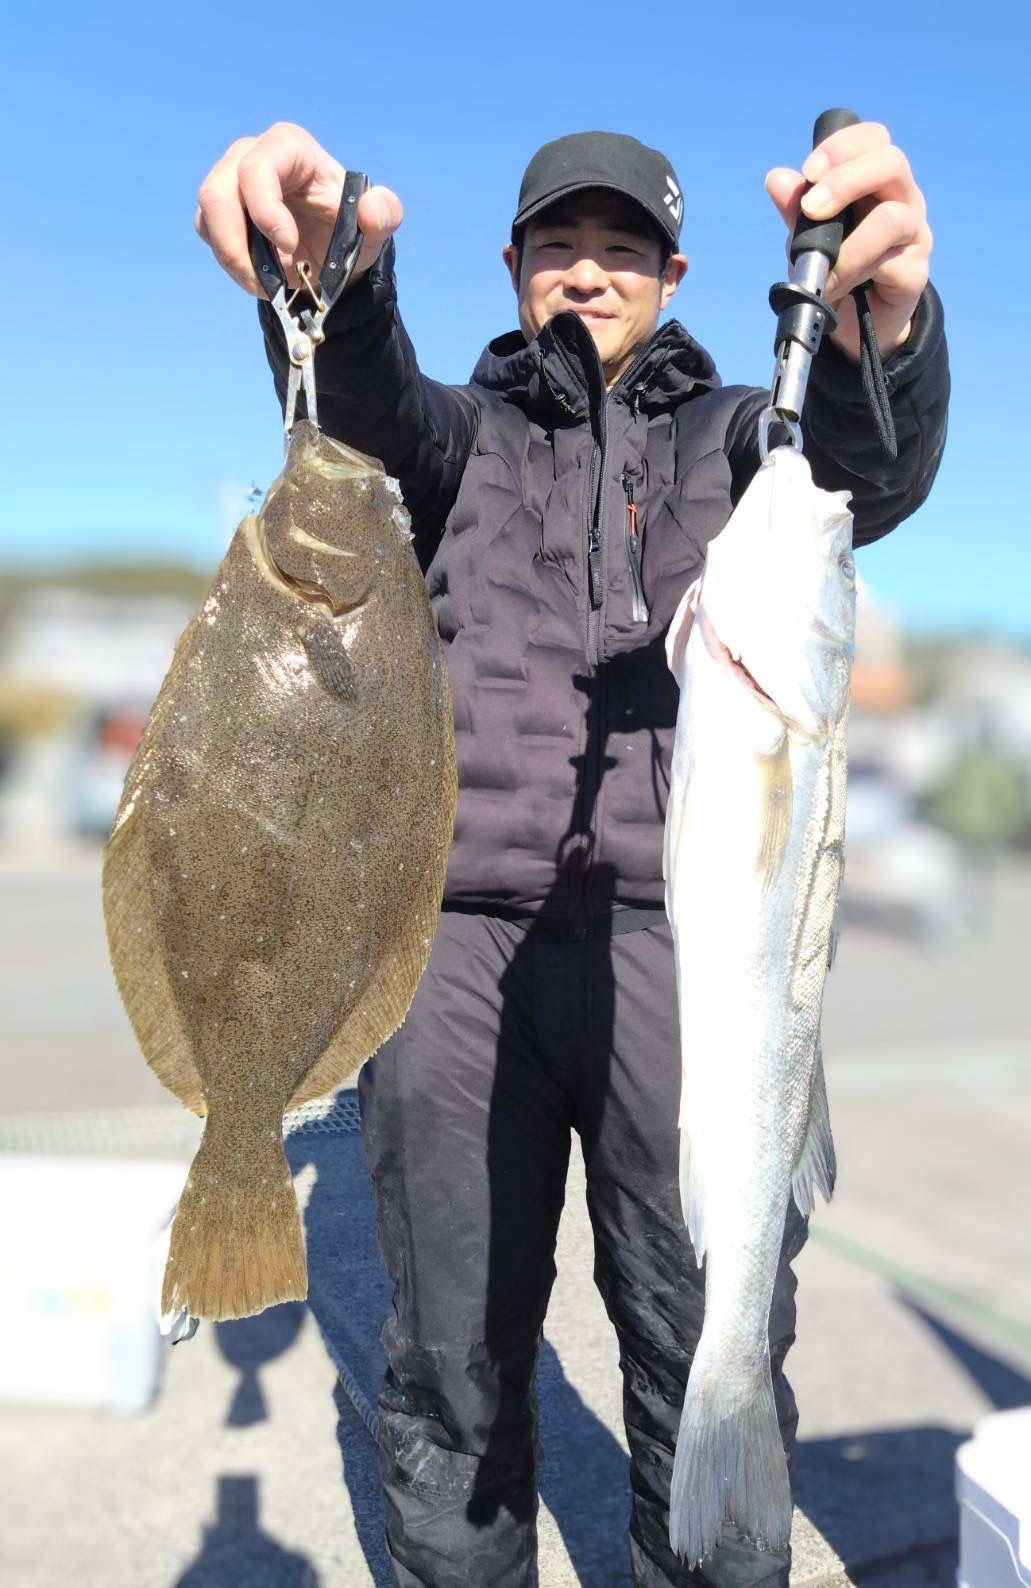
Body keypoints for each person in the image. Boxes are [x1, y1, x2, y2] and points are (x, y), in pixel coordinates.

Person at [197, 121, 948, 1588]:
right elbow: (360, 409)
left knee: (709, 1327)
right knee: (451, 1357)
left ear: (675, 276)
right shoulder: (457, 436)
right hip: (455, 953)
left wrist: (885, 338)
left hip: (682, 946)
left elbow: (861, 467)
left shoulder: (744, 438)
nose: (588, 273)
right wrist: (338, 278)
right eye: (559, 246)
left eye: (621, 250)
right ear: (513, 267)